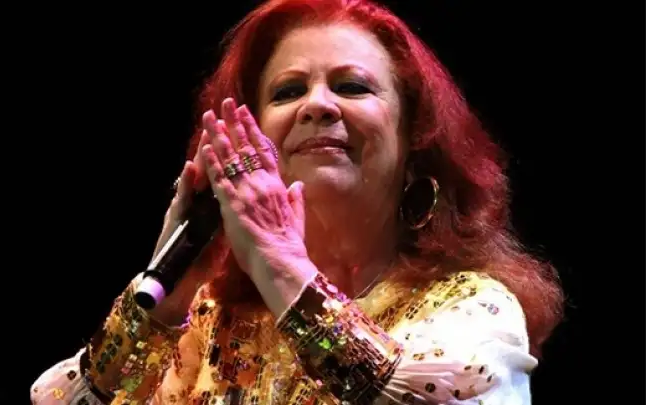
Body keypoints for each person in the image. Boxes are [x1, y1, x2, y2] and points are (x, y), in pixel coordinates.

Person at [30, 0, 564, 404]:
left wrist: (283, 268)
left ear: (415, 144)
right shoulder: (204, 324)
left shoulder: (471, 308)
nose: (317, 105)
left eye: (352, 87)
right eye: (287, 92)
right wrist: (164, 303)